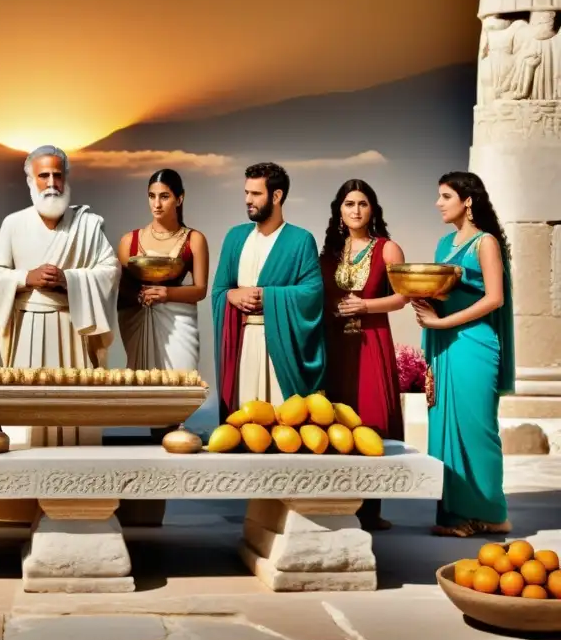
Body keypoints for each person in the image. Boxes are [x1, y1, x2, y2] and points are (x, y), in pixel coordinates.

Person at [0, 145, 121, 523]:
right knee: (30, 414)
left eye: (58, 175)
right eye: (43, 175)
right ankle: (22, 505)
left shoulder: (88, 225)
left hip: (74, 330)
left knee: (76, 414)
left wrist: (70, 280)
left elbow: (110, 270)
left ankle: (81, 502)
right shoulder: (14, 223)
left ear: (66, 178)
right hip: (29, 329)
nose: (51, 183)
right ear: (30, 180)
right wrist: (25, 277)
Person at [412, 171, 514, 538]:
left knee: (478, 429)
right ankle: (457, 516)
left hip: (474, 344)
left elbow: (494, 298)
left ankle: (492, 514)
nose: (438, 203)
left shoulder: (485, 243)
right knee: (444, 428)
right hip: (444, 347)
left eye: (445, 196)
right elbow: (448, 290)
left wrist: (441, 322)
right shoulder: (444, 244)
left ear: (467, 201)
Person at [319, 179, 406, 532]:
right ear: (339, 211)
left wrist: (366, 306)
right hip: (335, 346)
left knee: (371, 419)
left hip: (372, 342)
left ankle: (370, 510)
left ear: (373, 209)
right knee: (336, 420)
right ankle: (336, 504)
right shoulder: (328, 254)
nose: (356, 210)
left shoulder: (387, 249)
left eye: (363, 203)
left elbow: (403, 298)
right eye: (349, 203)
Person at [211, 162, 325, 417]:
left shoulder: (300, 240)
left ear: (276, 196)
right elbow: (219, 290)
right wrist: (232, 294)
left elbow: (313, 293)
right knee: (244, 421)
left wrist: (269, 296)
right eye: (246, 193)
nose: (248, 200)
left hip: (280, 347)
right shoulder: (235, 237)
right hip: (242, 345)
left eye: (256, 194)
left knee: (282, 421)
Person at [117, 168, 209, 374]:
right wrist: (138, 295)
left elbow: (200, 290)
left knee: (181, 382)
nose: (156, 204)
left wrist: (167, 294)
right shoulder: (129, 241)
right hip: (138, 318)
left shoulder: (194, 239)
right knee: (142, 381)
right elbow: (121, 287)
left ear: (179, 199)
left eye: (164, 196)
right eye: (152, 196)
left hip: (178, 323)